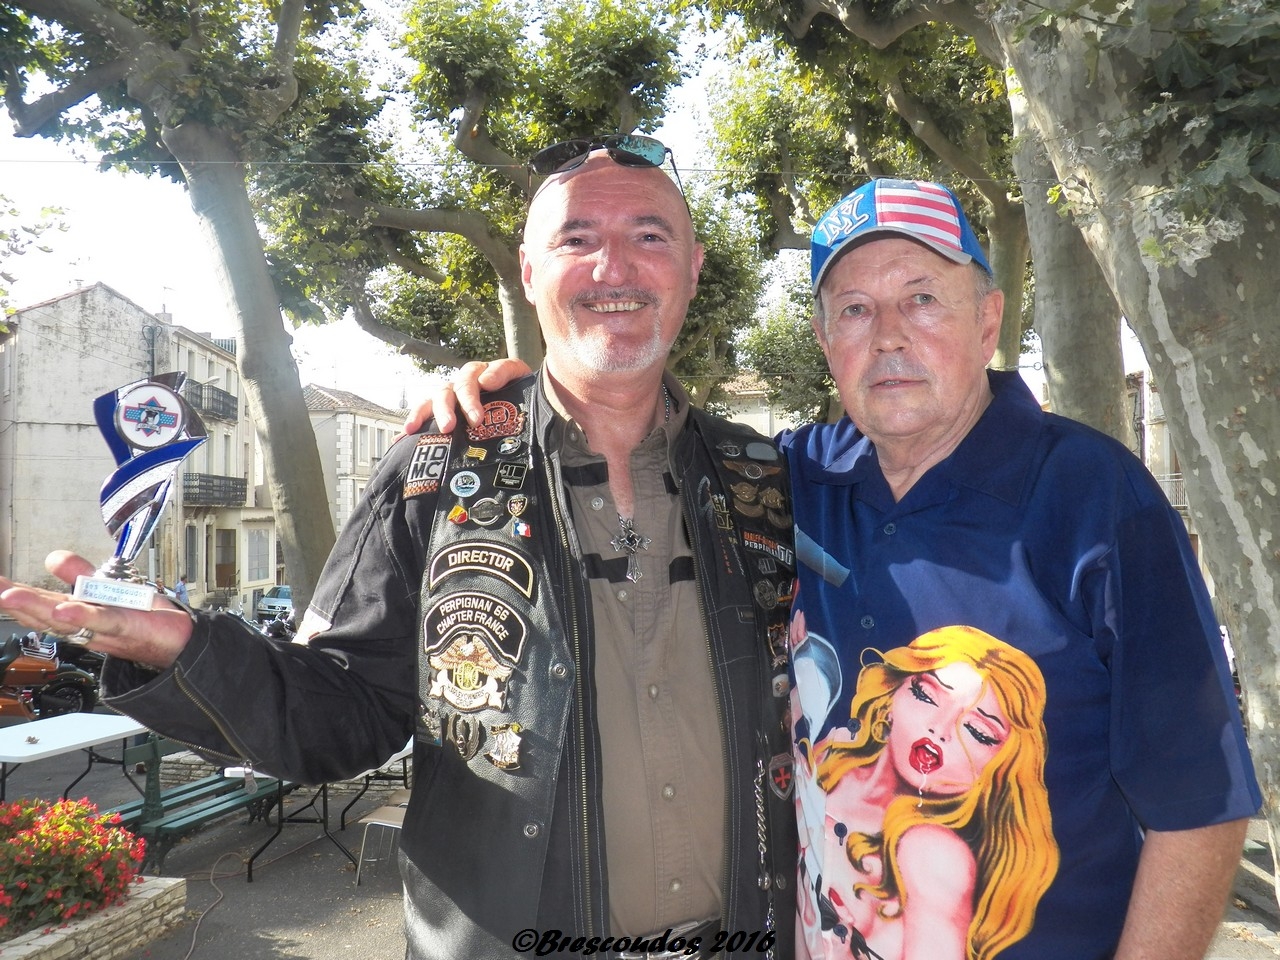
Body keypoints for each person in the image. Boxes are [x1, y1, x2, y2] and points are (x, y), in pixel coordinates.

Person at [416, 177, 1260, 960]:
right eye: (854, 309)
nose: (889, 335)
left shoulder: (1095, 497)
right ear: (825, 341)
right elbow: (626, 433)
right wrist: (519, 392)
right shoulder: (779, 483)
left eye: (922, 299)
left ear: (988, 321)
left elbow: (1199, 803)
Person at [0, 136, 797, 960]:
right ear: (530, 273)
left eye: (649, 235)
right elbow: (341, 714)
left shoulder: (768, 479)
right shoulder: (434, 466)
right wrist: (189, 654)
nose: (613, 267)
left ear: (693, 267)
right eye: (577, 238)